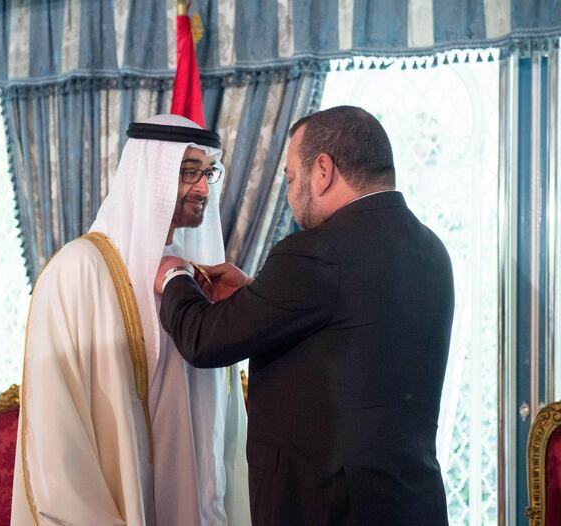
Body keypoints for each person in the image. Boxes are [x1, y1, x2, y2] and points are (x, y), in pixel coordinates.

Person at [156, 106, 454, 525]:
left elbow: (204, 340)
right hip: (410, 504)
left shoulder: (315, 251)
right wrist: (254, 294)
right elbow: (347, 327)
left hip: (326, 508)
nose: (291, 194)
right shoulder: (432, 249)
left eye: (292, 178)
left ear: (323, 170)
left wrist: (176, 276)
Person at [11, 114, 250, 525]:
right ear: (149, 177)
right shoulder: (79, 272)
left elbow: (223, 426)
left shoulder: (194, 280)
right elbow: (57, 429)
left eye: (206, 172)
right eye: (187, 172)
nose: (201, 188)